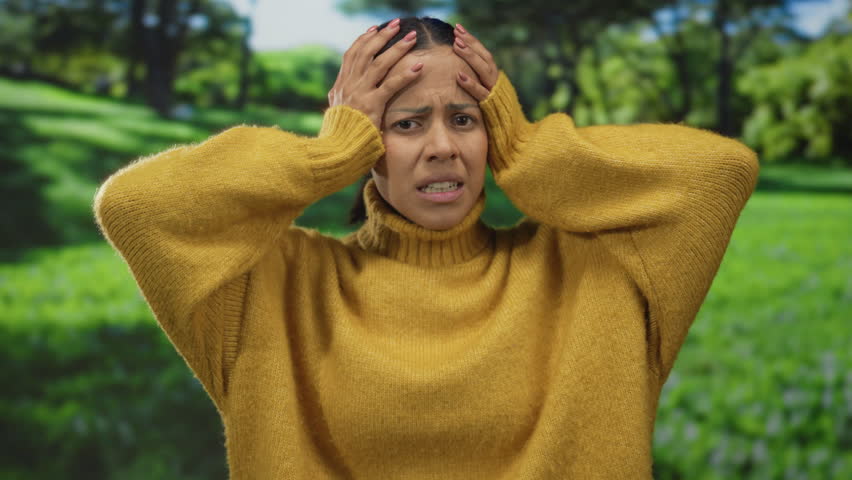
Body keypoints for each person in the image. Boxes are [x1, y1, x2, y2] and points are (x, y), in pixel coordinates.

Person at [93, 16, 759, 480]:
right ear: (368, 143)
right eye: (407, 123)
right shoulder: (272, 288)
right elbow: (135, 208)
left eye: (464, 119)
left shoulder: (595, 269)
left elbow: (720, 174)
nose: (442, 146)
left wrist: (524, 146)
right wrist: (330, 153)